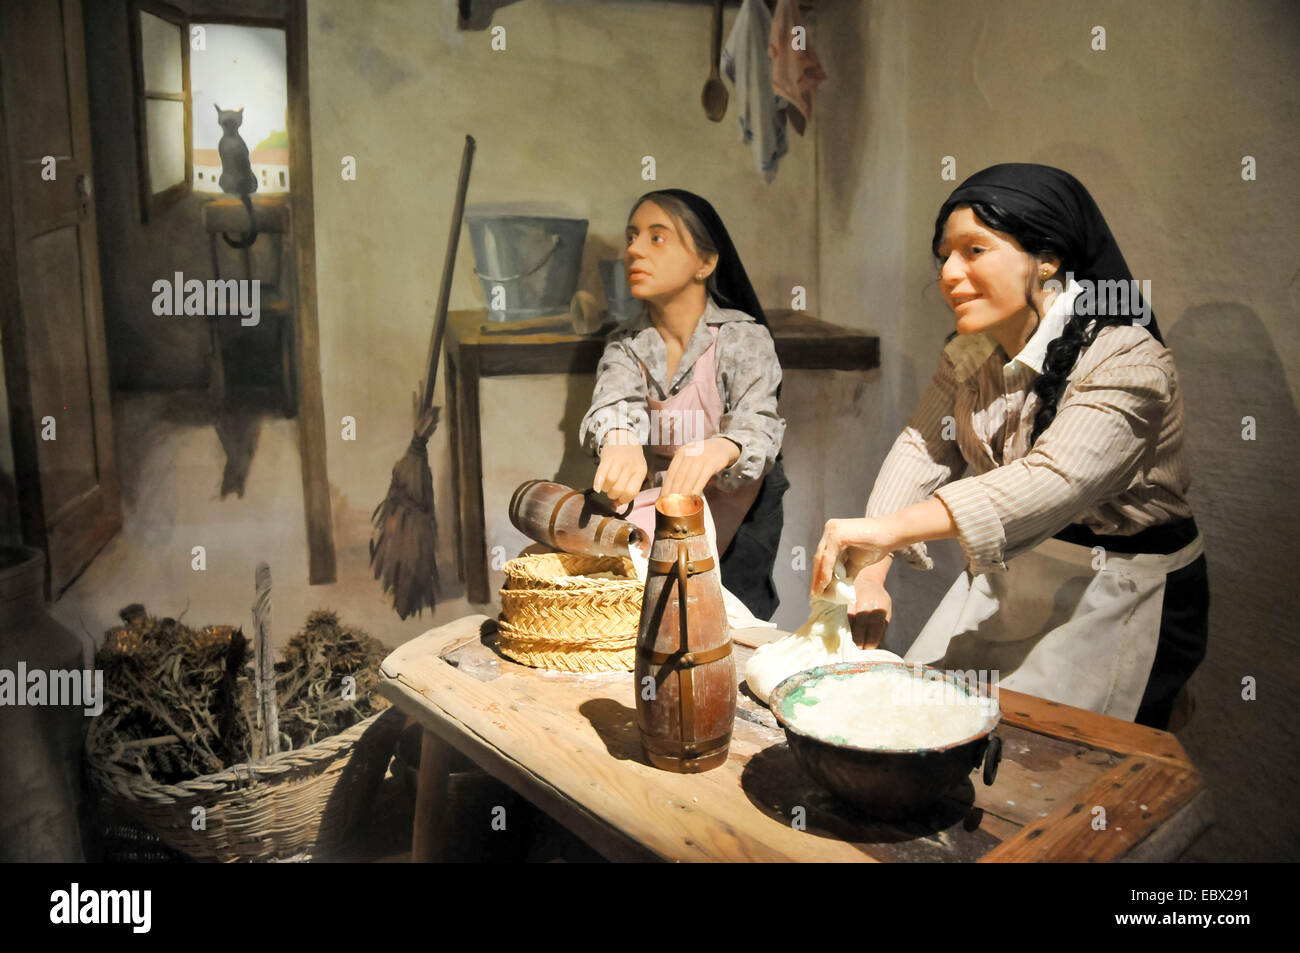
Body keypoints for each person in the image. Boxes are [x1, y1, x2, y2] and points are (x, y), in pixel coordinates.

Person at [810, 163, 1209, 730]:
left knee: (1056, 763)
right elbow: (922, 448)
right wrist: (871, 569)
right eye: (944, 254)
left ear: (1046, 260)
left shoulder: (1127, 359)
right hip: (1018, 572)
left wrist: (892, 531)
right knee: (935, 723)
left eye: (974, 250)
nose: (948, 273)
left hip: (1121, 587)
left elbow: (1054, 480)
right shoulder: (970, 354)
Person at [579, 189, 789, 619]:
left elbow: (759, 424)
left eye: (657, 238)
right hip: (660, 508)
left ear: (705, 263)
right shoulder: (626, 346)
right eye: (632, 236)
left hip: (740, 511)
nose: (634, 249)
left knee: (732, 629)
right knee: (649, 620)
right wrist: (618, 439)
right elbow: (613, 400)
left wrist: (720, 448)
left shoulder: (741, 339)